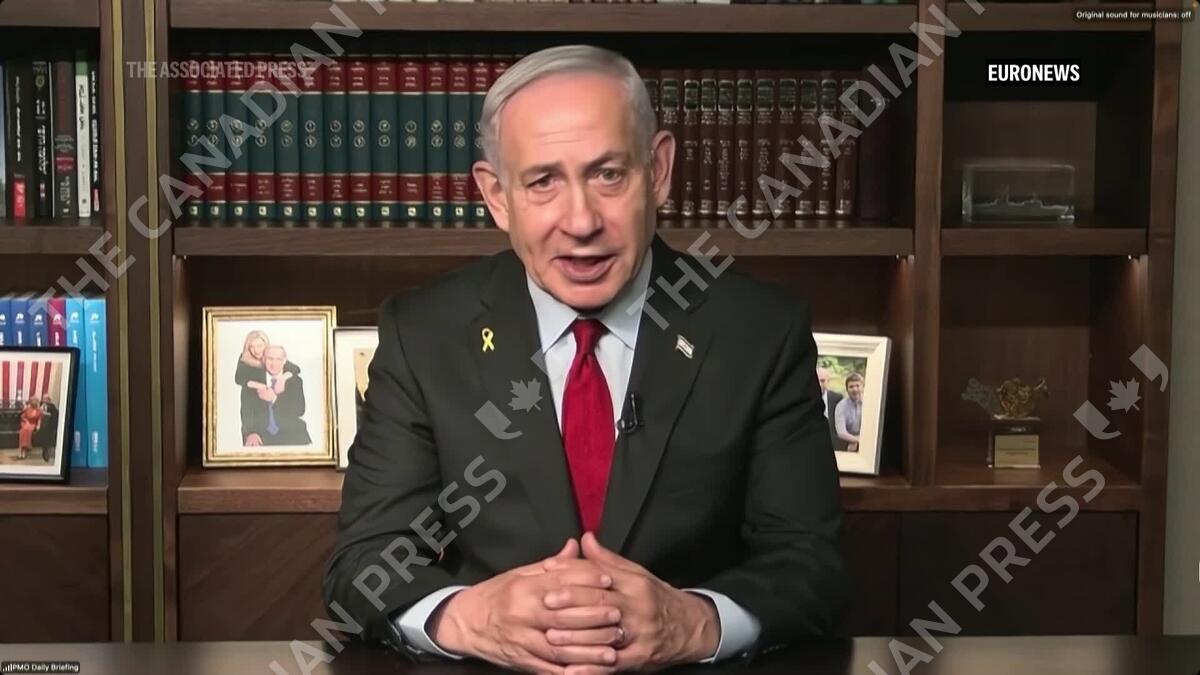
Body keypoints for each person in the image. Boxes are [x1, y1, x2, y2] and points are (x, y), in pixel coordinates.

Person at [325, 45, 847, 673]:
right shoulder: (423, 333)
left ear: (658, 171)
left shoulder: (760, 331)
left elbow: (813, 566)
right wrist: (470, 618)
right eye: (543, 181)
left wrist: (693, 622)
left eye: (608, 175)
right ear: (496, 196)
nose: (580, 221)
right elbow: (363, 567)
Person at [241, 345, 311, 447]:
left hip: (292, 435)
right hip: (261, 437)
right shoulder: (252, 382)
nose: (274, 364)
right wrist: (250, 433)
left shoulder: (295, 381)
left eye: (278, 359)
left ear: (284, 361)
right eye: (270, 359)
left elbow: (299, 410)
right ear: (263, 359)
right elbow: (246, 411)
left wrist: (274, 399)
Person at [817, 366, 846, 452]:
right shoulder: (805, 400)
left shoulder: (837, 399)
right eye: (817, 381)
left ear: (828, 381)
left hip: (834, 445)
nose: (819, 384)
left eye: (822, 381)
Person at [834, 372, 864, 453]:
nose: (855, 389)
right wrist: (857, 440)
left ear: (862, 387)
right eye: (851, 387)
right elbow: (841, 433)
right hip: (847, 441)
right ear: (847, 389)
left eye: (857, 386)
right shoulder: (841, 406)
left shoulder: (869, 403)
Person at [35, 395, 59, 463]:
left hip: (49, 426)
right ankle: (45, 451)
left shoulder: (52, 407)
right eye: (43, 399)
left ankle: (47, 454)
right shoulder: (41, 405)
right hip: (42, 426)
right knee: (43, 440)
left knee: (48, 441)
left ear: (49, 400)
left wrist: (46, 414)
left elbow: (54, 416)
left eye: (46, 399)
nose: (44, 400)